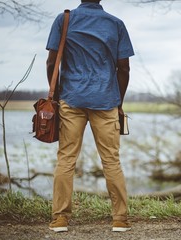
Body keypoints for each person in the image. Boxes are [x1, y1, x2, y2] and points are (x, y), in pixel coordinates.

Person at [45, 0, 134, 233]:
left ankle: (60, 219)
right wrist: (119, 102)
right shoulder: (116, 24)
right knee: (111, 160)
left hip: (71, 99)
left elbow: (52, 61)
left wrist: (56, 95)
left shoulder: (64, 20)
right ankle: (120, 220)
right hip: (106, 101)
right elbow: (123, 67)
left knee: (66, 159)